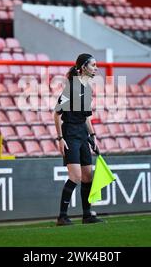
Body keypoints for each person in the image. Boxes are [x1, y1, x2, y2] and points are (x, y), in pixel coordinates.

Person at [53, 53, 104, 226]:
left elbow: (87, 118)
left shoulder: (88, 88)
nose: (96, 68)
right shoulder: (71, 89)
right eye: (93, 65)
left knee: (88, 176)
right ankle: (62, 216)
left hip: (83, 134)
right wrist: (60, 138)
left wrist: (93, 136)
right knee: (75, 176)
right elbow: (57, 114)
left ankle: (87, 215)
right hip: (70, 135)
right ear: (83, 67)